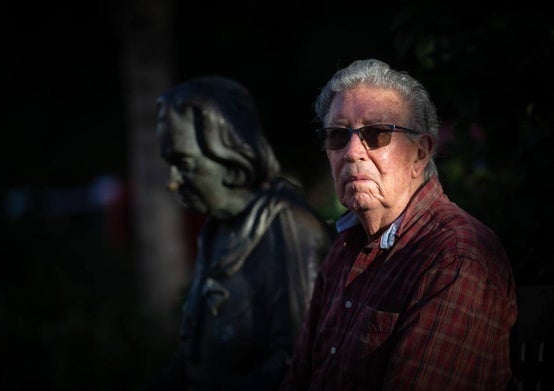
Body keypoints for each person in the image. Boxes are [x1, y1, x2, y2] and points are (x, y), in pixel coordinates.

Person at [280, 58, 518, 390]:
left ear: (420, 154)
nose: (351, 152)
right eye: (337, 135)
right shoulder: (345, 247)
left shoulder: (457, 257)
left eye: (376, 133)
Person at [150, 76, 333, 391]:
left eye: (184, 163)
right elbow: (192, 357)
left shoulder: (291, 230)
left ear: (231, 157)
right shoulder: (217, 230)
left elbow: (298, 364)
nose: (173, 181)